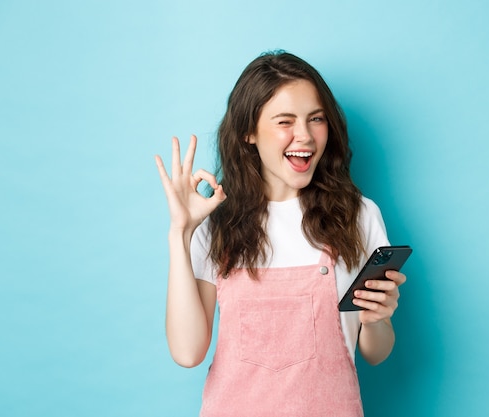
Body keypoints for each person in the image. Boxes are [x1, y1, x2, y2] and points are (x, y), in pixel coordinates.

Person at [154, 51, 407, 417]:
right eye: (284, 121)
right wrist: (180, 233)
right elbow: (187, 351)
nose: (304, 135)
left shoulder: (358, 216)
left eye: (316, 118)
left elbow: (375, 351)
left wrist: (377, 319)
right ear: (249, 133)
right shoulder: (216, 222)